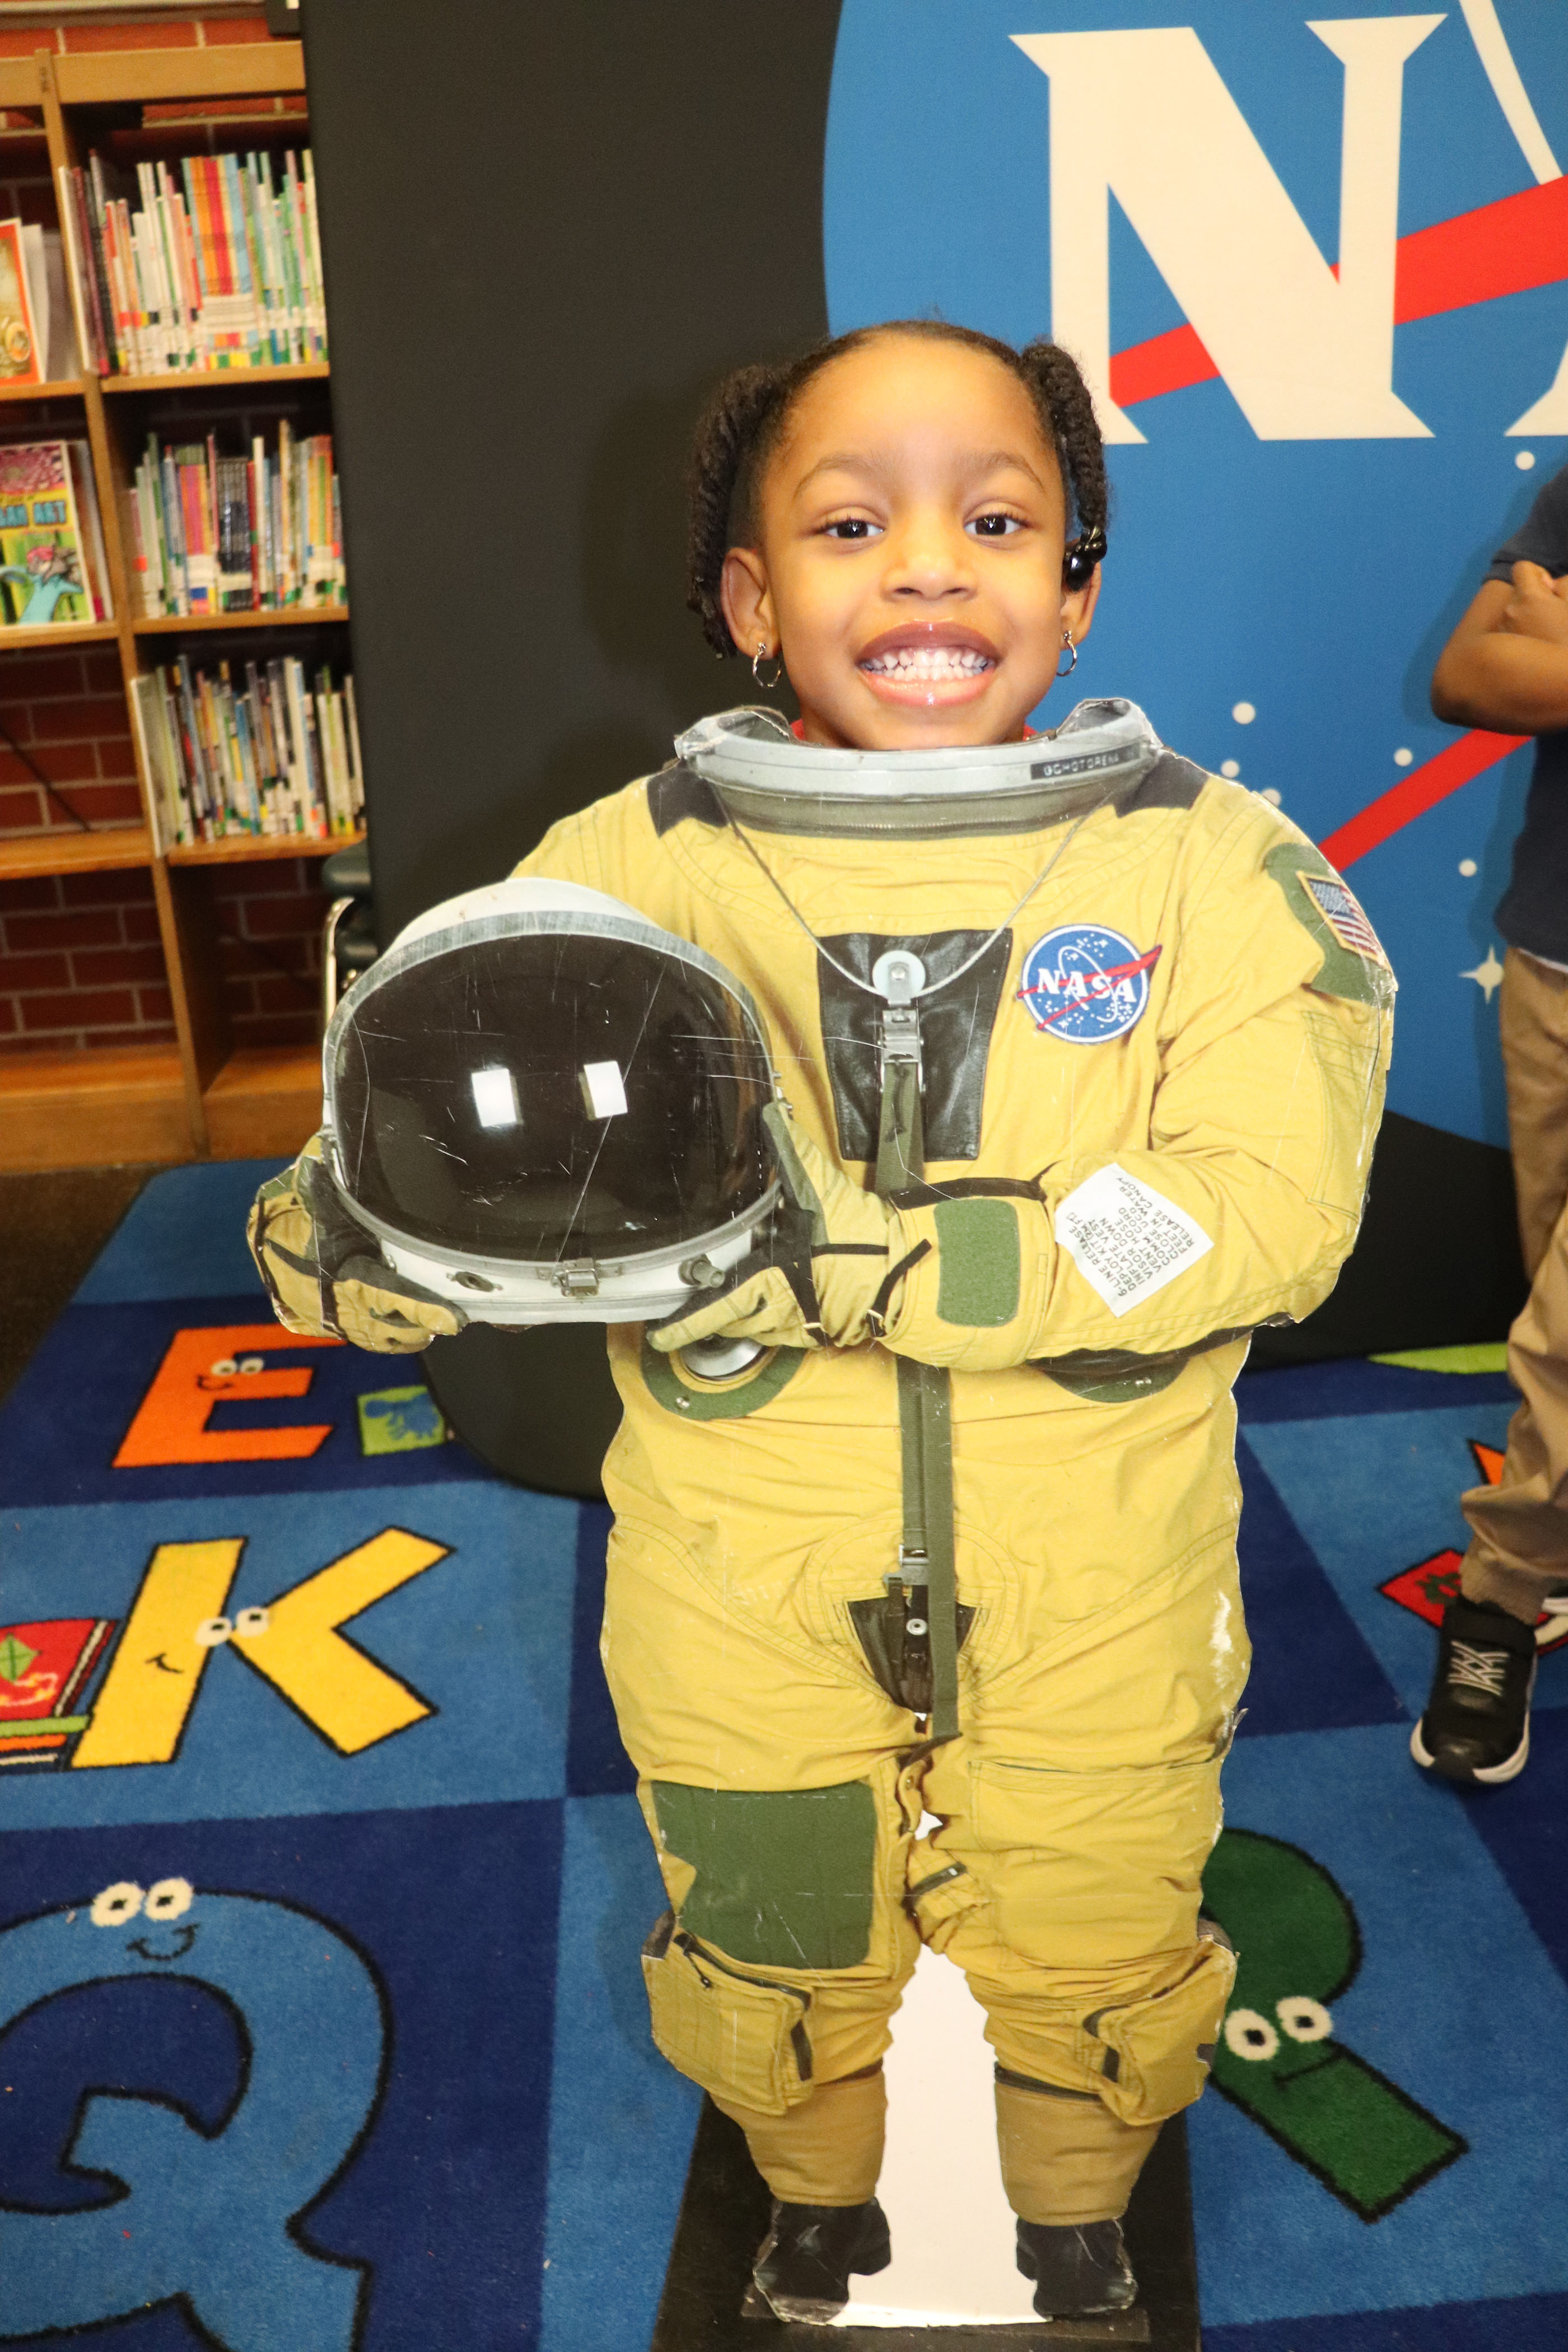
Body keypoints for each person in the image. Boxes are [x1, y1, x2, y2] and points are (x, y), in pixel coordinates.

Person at [250, 321, 1392, 2323]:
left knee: (1096, 1906)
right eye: (856, 523)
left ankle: (1074, 2202)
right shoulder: (636, 872)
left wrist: (923, 1275)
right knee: (770, 1908)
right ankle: (814, 2188)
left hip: (1099, 1562)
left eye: (999, 518)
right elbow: (451, 1118)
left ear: (1076, 584)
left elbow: (1260, 1208)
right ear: (752, 596)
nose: (932, 566)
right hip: (741, 1563)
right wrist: (351, 1243)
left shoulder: (1213, 872)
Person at [1413, 463, 1568, 1788]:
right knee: (1550, 1296)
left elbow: (1528, 658)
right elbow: (1468, 675)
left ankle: (1499, 1601)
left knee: (1564, 1339)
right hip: (1551, 964)